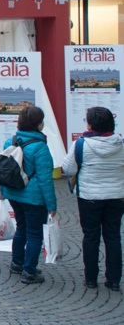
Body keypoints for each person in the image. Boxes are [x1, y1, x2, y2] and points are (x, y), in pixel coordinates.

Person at [62, 105, 124, 291]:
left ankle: (90, 278)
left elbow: (68, 169)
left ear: (90, 125)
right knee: (113, 236)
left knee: (90, 236)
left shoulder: (81, 144)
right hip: (116, 196)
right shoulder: (121, 144)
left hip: (89, 197)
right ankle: (113, 280)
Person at [1, 106, 57, 284]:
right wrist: (52, 205)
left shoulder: (10, 141)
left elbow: (3, 169)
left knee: (21, 228)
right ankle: (29, 271)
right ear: (38, 125)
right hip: (33, 198)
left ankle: (17, 263)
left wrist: (3, 192)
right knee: (34, 234)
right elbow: (45, 180)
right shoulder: (40, 147)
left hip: (13, 194)